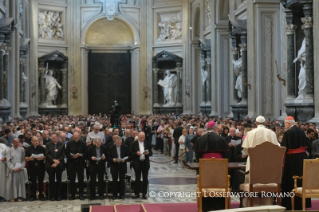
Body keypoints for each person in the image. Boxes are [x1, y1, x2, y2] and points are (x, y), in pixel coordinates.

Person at [241, 115, 279, 207]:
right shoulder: (271, 133)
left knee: (252, 182)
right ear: (265, 123)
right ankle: (267, 204)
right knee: (266, 183)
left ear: (256, 123)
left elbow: (246, 149)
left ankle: (251, 205)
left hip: (253, 161)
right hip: (268, 163)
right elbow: (276, 148)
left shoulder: (250, 133)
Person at [192, 121, 229, 211]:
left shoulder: (200, 139)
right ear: (215, 129)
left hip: (205, 174)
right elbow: (226, 156)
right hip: (219, 174)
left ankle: (205, 207)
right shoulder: (221, 139)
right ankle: (219, 207)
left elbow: (198, 157)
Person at [281, 116, 311, 210]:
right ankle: (303, 203)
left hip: (292, 160)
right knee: (301, 180)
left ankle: (290, 204)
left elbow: (284, 148)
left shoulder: (288, 132)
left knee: (291, 180)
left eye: (285, 123)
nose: (285, 125)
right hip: (302, 158)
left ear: (288, 123)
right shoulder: (302, 131)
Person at [130, 132, 152, 199]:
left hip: (145, 163)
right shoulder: (134, 144)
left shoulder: (147, 143)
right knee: (137, 178)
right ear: (138, 137)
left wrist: (148, 153)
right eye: (141, 137)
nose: (143, 138)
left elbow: (151, 152)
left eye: (144, 137)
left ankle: (144, 193)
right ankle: (137, 193)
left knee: (145, 179)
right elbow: (130, 153)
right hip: (137, 163)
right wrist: (136, 153)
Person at [66, 131, 87, 200]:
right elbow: (67, 153)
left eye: (77, 138)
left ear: (79, 137)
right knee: (72, 180)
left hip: (80, 163)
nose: (75, 139)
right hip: (72, 163)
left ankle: (81, 195)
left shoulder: (83, 143)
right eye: (74, 138)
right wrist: (72, 157)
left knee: (81, 180)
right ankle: (73, 195)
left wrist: (80, 155)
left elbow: (86, 153)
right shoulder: (69, 143)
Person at [25, 136, 46, 201]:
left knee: (40, 182)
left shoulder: (42, 148)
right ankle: (33, 196)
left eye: (37, 141)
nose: (37, 142)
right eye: (35, 141)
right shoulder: (29, 148)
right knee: (33, 182)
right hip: (32, 167)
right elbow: (25, 158)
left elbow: (45, 156)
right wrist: (29, 158)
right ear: (32, 141)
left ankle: (41, 195)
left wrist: (42, 158)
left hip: (40, 167)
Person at [45, 133, 65, 201]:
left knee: (59, 181)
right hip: (51, 165)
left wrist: (58, 161)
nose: (53, 139)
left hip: (59, 165)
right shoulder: (48, 145)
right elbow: (47, 154)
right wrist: (53, 161)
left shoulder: (62, 145)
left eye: (54, 138)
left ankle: (59, 195)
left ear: (57, 138)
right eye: (52, 138)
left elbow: (63, 154)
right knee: (52, 181)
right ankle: (52, 196)